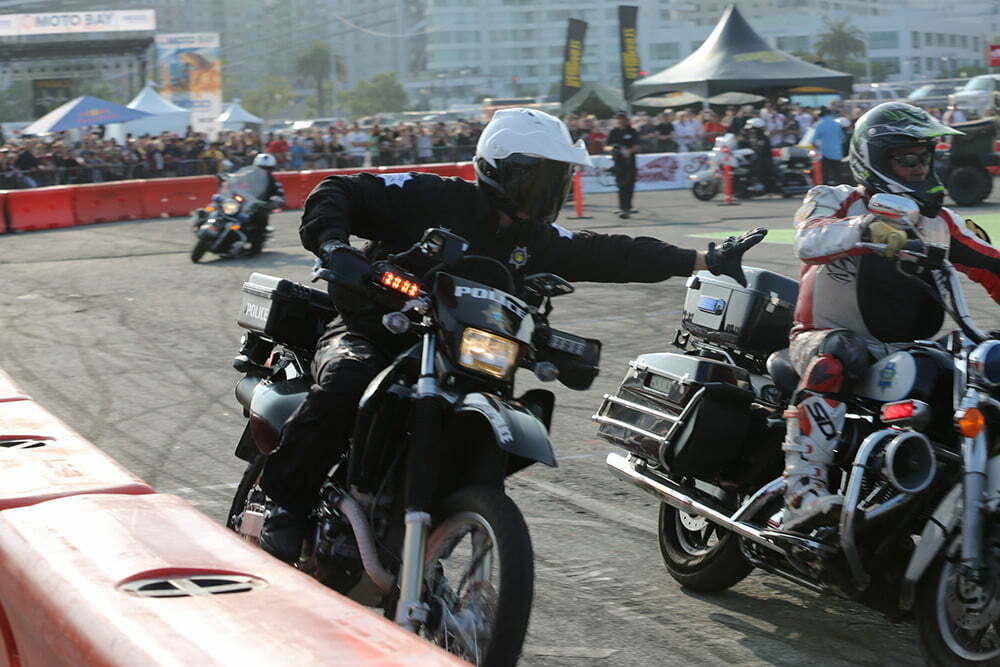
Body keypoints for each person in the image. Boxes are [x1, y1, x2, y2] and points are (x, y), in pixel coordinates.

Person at [257, 107, 767, 561]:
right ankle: (287, 505)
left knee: (504, 412)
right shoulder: (433, 196)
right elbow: (340, 190)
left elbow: (611, 252)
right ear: (499, 171)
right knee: (349, 379)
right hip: (375, 326)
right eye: (538, 179)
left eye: (556, 180)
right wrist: (335, 247)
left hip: (463, 353)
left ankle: (442, 510)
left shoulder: (536, 239)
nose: (547, 193)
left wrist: (705, 259)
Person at [780, 102, 1000, 532]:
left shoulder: (942, 223)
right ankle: (801, 491)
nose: (921, 168)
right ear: (875, 159)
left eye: (926, 158)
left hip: (903, 349)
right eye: (908, 159)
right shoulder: (833, 200)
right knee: (841, 356)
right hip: (821, 337)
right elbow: (806, 240)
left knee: (974, 369)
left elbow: (994, 267)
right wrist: (866, 230)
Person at [242, 153, 286, 249]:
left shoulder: (273, 181)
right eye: (261, 167)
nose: (263, 170)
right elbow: (234, 180)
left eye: (267, 168)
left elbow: (279, 193)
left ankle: (256, 244)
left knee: (259, 218)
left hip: (259, 206)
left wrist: (277, 200)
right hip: (243, 202)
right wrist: (226, 179)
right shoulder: (246, 175)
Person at [605, 110, 641, 219]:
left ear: (626, 120)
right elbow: (606, 146)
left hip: (630, 162)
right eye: (618, 119)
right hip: (618, 162)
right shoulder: (613, 132)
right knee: (620, 184)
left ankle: (628, 206)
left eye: (622, 119)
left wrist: (628, 151)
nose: (620, 121)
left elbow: (638, 145)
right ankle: (622, 207)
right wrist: (613, 149)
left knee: (630, 184)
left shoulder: (632, 131)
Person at [740, 117, 776, 193]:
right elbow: (747, 145)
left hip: (764, 158)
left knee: (757, 167)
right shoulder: (752, 137)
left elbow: (760, 149)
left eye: (753, 129)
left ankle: (758, 183)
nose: (751, 131)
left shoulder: (763, 137)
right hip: (756, 157)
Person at [811, 107, 846, 185]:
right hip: (837, 153)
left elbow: (813, 141)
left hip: (825, 153)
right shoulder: (836, 124)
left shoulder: (819, 124)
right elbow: (843, 139)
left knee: (825, 175)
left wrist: (818, 149)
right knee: (838, 175)